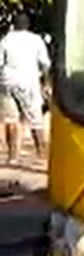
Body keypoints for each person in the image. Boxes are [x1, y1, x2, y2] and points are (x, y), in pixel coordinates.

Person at [1, 13, 50, 167]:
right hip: (29, 82)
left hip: (8, 82)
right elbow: (45, 64)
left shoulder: (5, 40)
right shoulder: (36, 40)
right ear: (28, 25)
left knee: (11, 120)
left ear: (14, 25)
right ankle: (41, 155)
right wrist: (46, 82)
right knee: (35, 118)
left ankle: (13, 156)